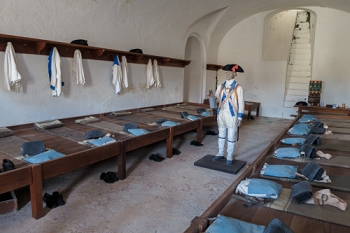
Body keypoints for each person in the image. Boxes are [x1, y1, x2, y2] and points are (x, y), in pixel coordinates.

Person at [212, 64, 244, 165]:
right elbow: (216, 97)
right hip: (221, 114)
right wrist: (212, 96)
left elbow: (241, 103)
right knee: (221, 135)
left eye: (230, 72)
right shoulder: (220, 86)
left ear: (234, 74)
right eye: (226, 72)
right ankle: (220, 153)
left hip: (232, 115)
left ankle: (229, 155)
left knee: (231, 136)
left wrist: (240, 117)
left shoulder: (238, 88)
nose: (227, 74)